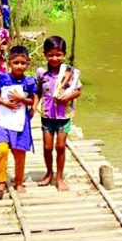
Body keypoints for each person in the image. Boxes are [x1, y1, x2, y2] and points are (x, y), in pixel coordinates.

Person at [0, 46, 39, 199]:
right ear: (9, 63)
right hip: (4, 121)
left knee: (19, 153)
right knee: (2, 150)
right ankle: (1, 181)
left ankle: (18, 181)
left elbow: (33, 97)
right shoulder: (3, 78)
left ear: (28, 64)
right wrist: (6, 103)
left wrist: (24, 101)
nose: (19, 66)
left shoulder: (29, 81)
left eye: (23, 63)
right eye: (16, 62)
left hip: (20, 122)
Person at [36, 36, 81, 192]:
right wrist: (32, 107)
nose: (54, 58)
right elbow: (37, 92)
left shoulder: (70, 72)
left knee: (60, 146)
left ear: (64, 54)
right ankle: (49, 173)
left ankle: (60, 177)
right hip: (47, 115)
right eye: (50, 55)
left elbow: (78, 91)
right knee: (48, 147)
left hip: (63, 116)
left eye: (58, 54)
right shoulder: (41, 73)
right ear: (45, 54)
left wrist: (68, 96)